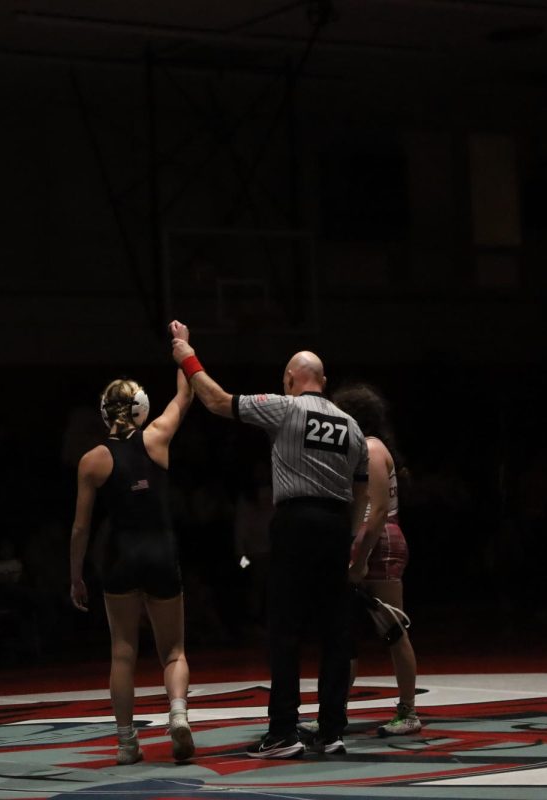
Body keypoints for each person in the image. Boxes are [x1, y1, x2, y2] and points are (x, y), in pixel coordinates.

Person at [168, 320, 368, 759]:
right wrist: (352, 539)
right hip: (337, 527)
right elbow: (362, 491)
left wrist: (186, 354)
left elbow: (217, 400)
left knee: (285, 630)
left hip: (296, 524)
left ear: (291, 380)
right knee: (336, 632)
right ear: (325, 382)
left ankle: (283, 733)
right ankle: (332, 730)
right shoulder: (353, 427)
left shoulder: (285, 407)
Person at [69, 364, 195, 766]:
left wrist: (75, 575)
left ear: (103, 413)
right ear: (142, 409)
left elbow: (80, 528)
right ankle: (177, 713)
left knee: (122, 653)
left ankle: (127, 744)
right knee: (173, 651)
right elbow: (186, 395)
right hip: (161, 554)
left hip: (120, 560)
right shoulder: (157, 437)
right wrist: (182, 351)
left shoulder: (91, 461)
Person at [331, 383, 422, 737]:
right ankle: (333, 710)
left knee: (393, 630)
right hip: (364, 541)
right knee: (343, 633)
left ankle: (409, 711)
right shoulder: (359, 451)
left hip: (379, 542)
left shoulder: (370, 448)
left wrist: (360, 560)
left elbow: (379, 511)